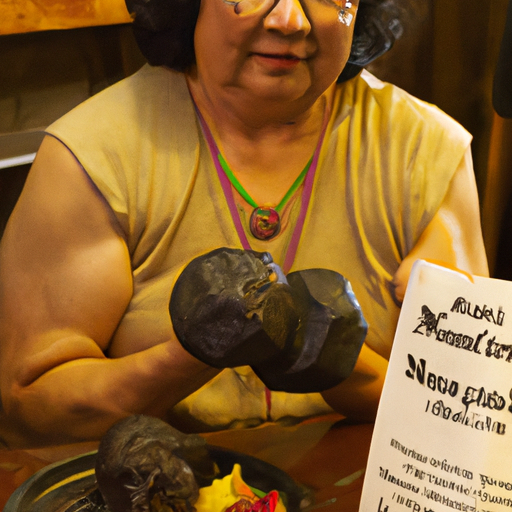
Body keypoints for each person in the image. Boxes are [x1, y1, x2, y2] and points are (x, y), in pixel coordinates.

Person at [0, 0, 488, 449]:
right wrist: (190, 354)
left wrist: (338, 363)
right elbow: (29, 410)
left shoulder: (426, 152)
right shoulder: (91, 157)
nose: (289, 20)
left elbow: (465, 414)